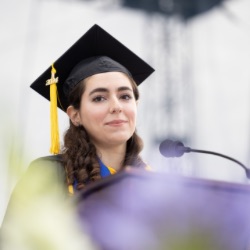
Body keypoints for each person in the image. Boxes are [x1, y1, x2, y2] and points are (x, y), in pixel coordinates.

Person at [1, 24, 154, 232]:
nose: (116, 107)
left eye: (125, 96)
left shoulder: (155, 185)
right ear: (75, 115)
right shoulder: (49, 175)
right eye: (99, 98)